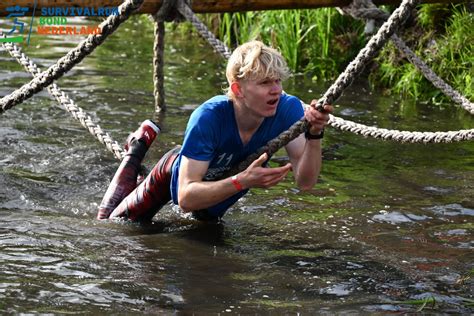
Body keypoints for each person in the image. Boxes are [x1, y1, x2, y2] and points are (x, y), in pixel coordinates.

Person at [97, 40, 333, 222]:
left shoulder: (287, 108)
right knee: (115, 224)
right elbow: (186, 198)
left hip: (216, 197)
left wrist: (315, 134)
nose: (276, 90)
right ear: (238, 90)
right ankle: (137, 148)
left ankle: (138, 167)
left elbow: (305, 182)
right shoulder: (208, 117)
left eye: (278, 81)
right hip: (176, 175)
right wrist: (242, 181)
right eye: (264, 83)